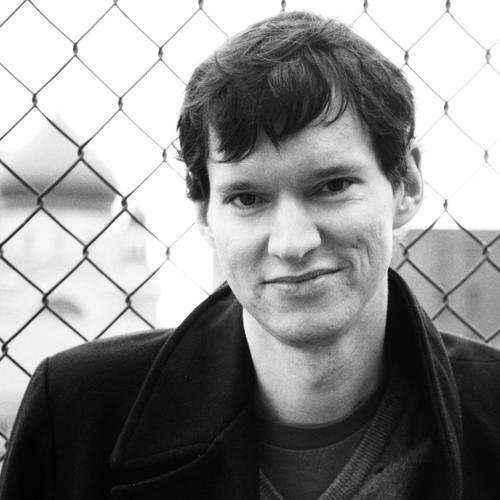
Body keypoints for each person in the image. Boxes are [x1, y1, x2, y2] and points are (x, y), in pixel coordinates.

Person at [1, 10, 499, 500]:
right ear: (204, 215)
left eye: (332, 186)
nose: (292, 243)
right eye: (248, 198)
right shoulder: (76, 418)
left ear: (406, 184)